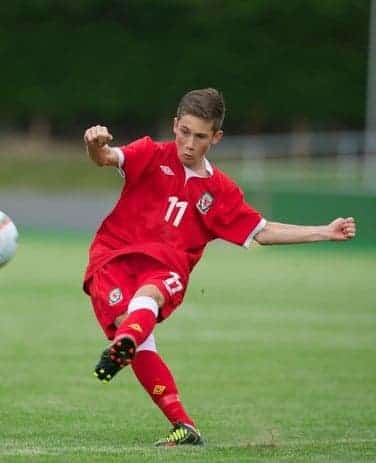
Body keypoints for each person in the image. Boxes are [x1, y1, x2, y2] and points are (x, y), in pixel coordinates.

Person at [82, 88, 356, 447]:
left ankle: (129, 342)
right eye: (184, 132)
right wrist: (94, 142)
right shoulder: (150, 153)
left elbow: (263, 231)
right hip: (113, 257)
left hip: (166, 269)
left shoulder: (220, 191)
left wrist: (325, 231)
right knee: (138, 333)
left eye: (200, 136)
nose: (189, 144)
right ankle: (182, 423)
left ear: (216, 138)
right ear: (174, 125)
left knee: (146, 302)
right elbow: (105, 157)